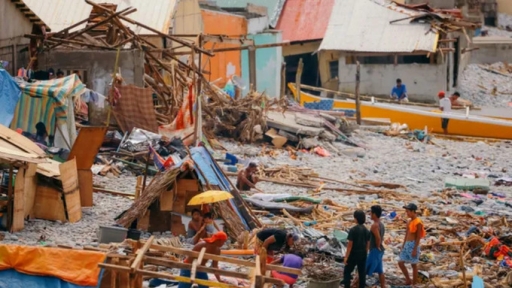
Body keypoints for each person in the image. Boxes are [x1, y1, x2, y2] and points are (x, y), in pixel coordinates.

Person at [398, 203, 426, 286]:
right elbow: (406, 234)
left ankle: (414, 283)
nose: (407, 213)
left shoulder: (418, 222)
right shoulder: (409, 221)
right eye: (406, 211)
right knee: (400, 262)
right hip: (407, 244)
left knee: (413, 265)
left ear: (413, 211)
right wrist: (403, 246)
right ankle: (408, 279)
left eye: (408, 211)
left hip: (413, 245)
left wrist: (414, 249)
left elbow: (418, 237)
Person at [343, 210, 370, 288]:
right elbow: (367, 244)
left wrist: (346, 257)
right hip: (362, 254)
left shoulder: (353, 230)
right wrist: (365, 253)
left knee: (347, 271)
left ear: (356, 218)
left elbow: (350, 245)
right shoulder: (366, 230)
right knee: (362, 273)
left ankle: (347, 286)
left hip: (353, 254)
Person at [367, 205, 386, 288]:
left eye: (371, 212)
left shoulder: (374, 225)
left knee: (364, 268)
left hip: (375, 250)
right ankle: (383, 286)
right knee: (380, 270)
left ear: (374, 214)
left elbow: (378, 238)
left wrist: (377, 246)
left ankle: (355, 285)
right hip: (380, 250)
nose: (370, 214)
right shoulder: (381, 224)